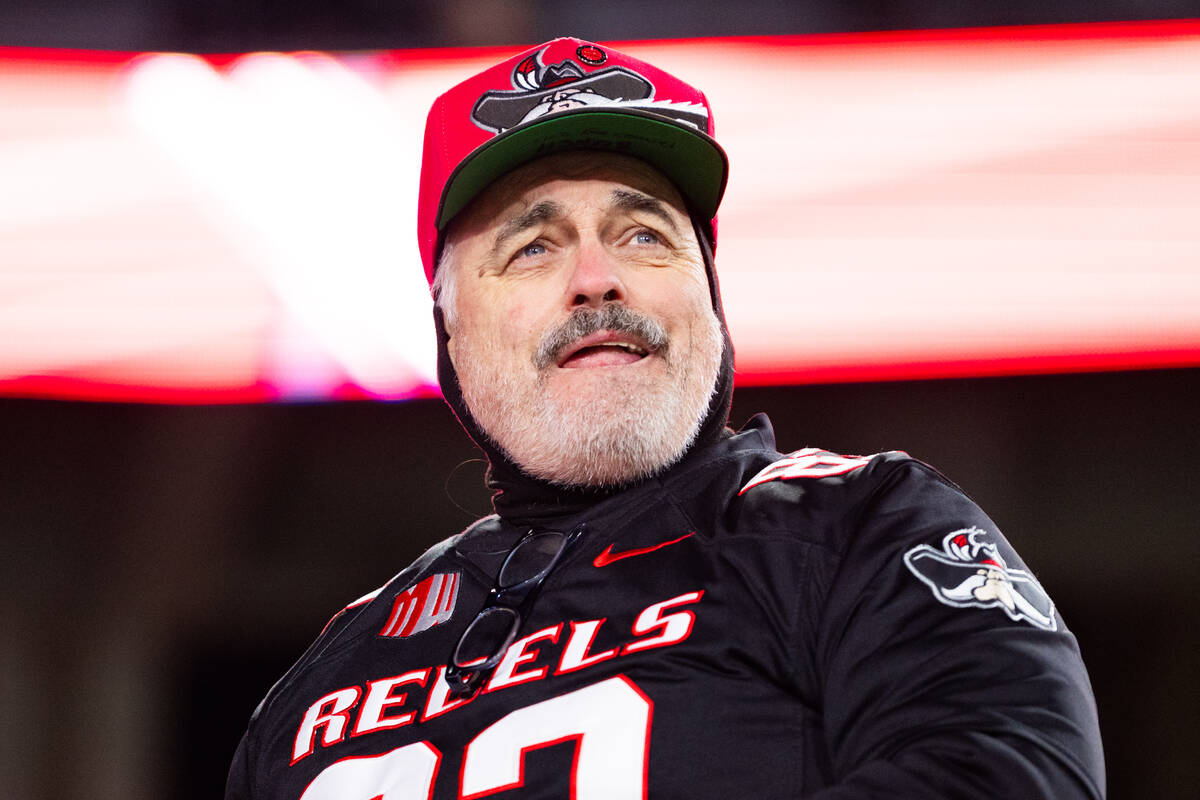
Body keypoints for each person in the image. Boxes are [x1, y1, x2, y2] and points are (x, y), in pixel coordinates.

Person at [225, 38, 1105, 799]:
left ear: (710, 301)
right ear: (451, 334)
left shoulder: (857, 529)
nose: (599, 276)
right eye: (532, 247)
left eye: (646, 234)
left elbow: (1009, 774)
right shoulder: (333, 671)